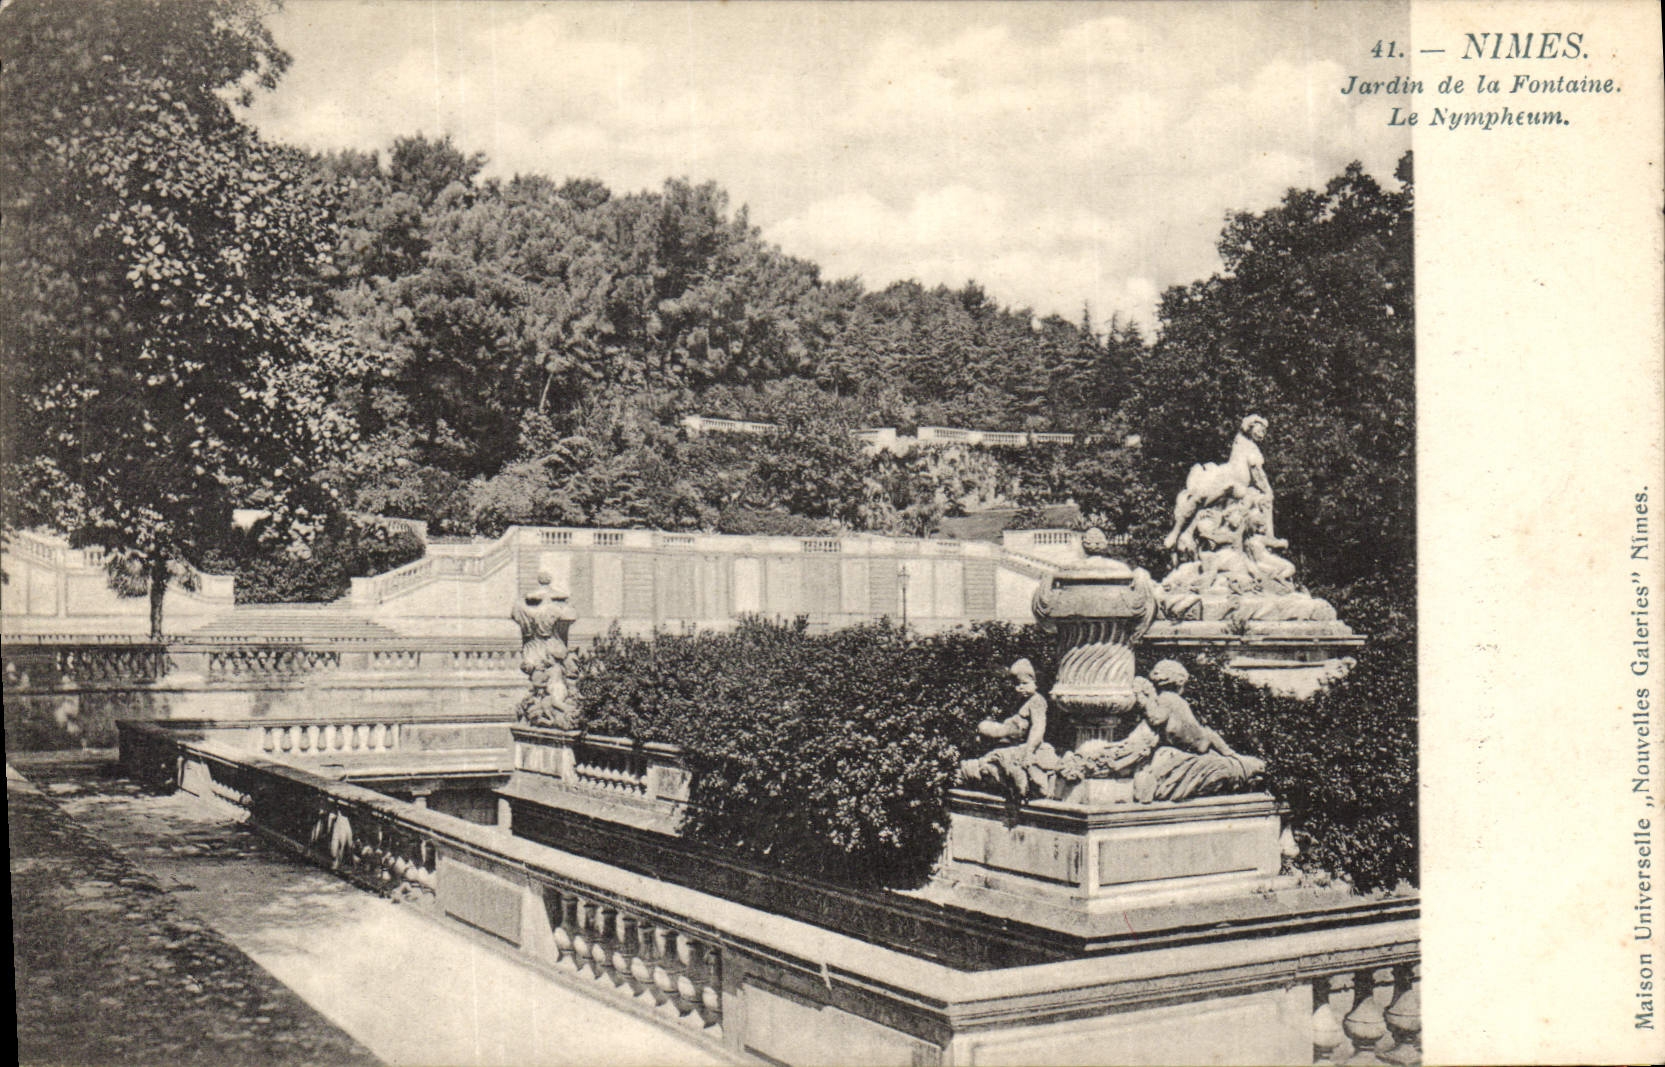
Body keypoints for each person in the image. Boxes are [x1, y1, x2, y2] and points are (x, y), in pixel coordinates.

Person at [1164, 415, 1275, 556]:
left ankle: (1268, 540)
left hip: (1237, 486)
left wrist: (1266, 491)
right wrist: (1268, 490)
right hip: (1226, 478)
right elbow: (1257, 473)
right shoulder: (1243, 442)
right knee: (1202, 495)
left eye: (1264, 431)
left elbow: (1257, 473)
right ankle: (1176, 532)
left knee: (1206, 497)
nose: (1262, 433)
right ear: (1251, 427)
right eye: (1260, 429)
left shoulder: (1251, 447)